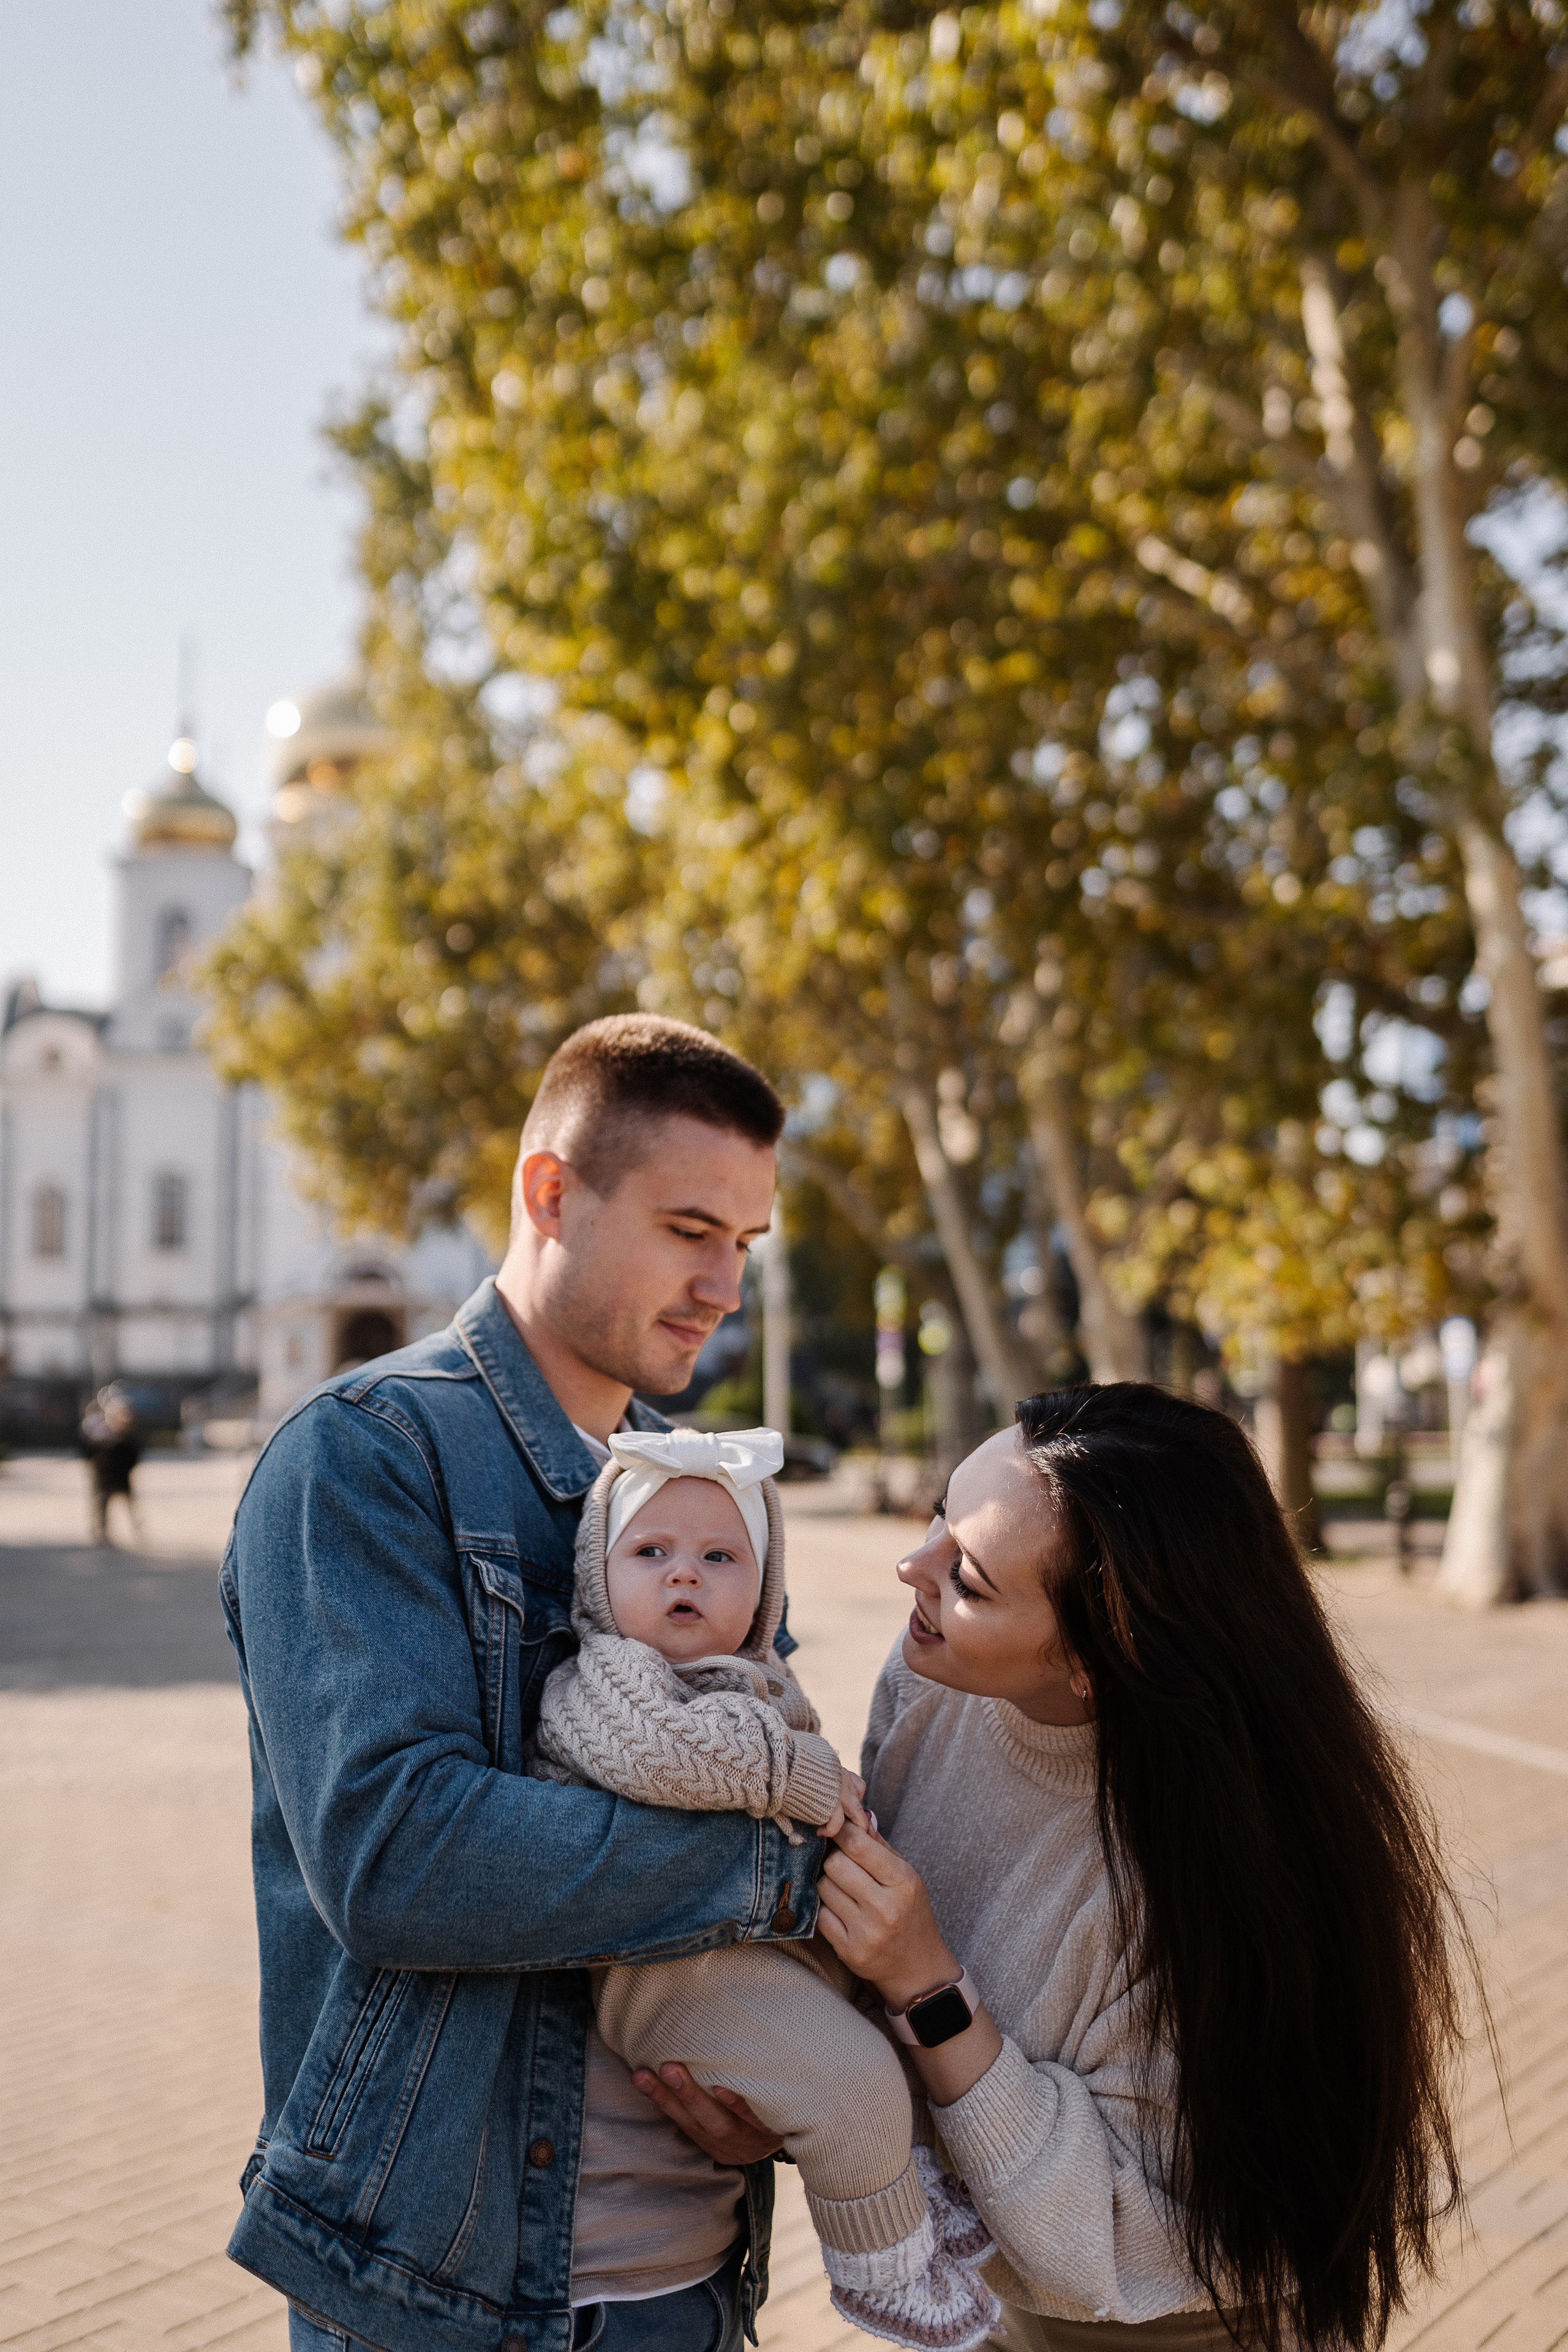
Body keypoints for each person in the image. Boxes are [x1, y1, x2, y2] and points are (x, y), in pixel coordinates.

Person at [222, 1015, 826, 2352]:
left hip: (695, 2280)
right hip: (446, 2294)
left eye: (744, 1244)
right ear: (550, 1193)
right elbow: (398, 1856)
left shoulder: (710, 1486)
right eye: (687, 1231)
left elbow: (783, 1757)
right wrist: (767, 1873)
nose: (725, 1286)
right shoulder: (364, 1460)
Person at [658, 1385, 1479, 2351]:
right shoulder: (935, 1681)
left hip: (1174, 2323)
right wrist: (807, 2107)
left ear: (1099, 1660)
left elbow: (1107, 2240)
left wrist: (931, 1988)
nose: (909, 1568)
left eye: (967, 1579)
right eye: (938, 1515)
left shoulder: (1216, 1879)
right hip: (1000, 2306)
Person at [530, 1423, 1000, 2351]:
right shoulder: (605, 1680)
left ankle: (914, 2201)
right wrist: (813, 1778)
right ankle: (887, 2272)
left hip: (742, 1950)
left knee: (876, 2038)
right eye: (650, 1552)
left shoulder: (752, 1679)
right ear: (599, 1573)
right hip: (664, 1975)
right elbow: (667, 1758)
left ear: (764, 1587)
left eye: (719, 1556)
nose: (684, 1576)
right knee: (852, 2081)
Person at [79, 1384, 142, 1545]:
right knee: (103, 1505)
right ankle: (101, 1532)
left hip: (120, 1476)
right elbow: (88, 1452)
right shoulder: (101, 1436)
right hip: (106, 1477)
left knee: (127, 1504)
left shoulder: (126, 1438)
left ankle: (137, 1530)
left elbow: (134, 1456)